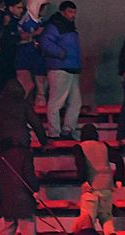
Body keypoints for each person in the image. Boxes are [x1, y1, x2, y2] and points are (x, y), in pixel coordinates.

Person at [0, 79, 48, 235]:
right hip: (19, 153)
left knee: (10, 219)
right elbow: (36, 123)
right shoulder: (23, 105)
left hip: (4, 156)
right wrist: (44, 141)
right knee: (27, 219)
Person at [73, 123, 123, 235]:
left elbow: (81, 165)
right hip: (106, 187)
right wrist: (119, 178)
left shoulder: (80, 147)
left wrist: (83, 180)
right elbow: (118, 159)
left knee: (87, 220)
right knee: (106, 217)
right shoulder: (104, 146)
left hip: (91, 188)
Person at [41, 1, 81, 139]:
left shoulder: (67, 27)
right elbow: (45, 42)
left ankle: (67, 130)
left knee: (75, 103)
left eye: (74, 12)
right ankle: (55, 132)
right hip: (60, 68)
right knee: (56, 102)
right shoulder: (55, 26)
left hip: (70, 68)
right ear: (63, 12)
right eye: (70, 12)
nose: (73, 15)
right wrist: (60, 53)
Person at [16, 0, 50, 106]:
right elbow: (20, 36)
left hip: (38, 57)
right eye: (42, 6)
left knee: (41, 85)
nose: (44, 9)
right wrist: (35, 33)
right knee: (27, 86)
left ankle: (40, 107)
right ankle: (24, 109)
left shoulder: (43, 21)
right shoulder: (25, 20)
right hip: (25, 56)